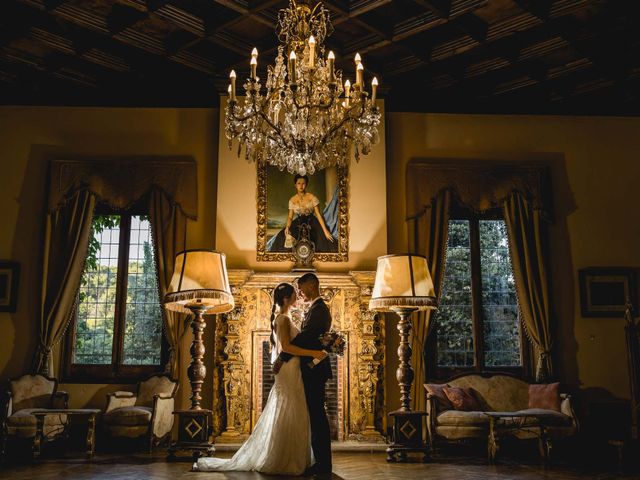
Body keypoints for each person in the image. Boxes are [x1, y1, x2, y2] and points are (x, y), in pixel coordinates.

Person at [193, 282, 327, 475]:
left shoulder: (285, 317)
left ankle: (295, 457)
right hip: (289, 369)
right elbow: (287, 348)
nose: (298, 296)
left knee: (294, 410)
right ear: (287, 298)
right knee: (291, 409)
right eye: (295, 295)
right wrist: (314, 352)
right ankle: (285, 459)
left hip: (293, 368)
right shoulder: (282, 319)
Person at [273, 273, 333, 476]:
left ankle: (323, 465)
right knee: (315, 416)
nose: (300, 292)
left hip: (314, 370)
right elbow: (307, 339)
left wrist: (282, 356)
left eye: (302, 287)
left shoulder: (319, 309)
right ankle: (319, 462)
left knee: (317, 416)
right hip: (308, 369)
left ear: (312, 285)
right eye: (296, 290)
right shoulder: (314, 309)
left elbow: (306, 338)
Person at [268, 174, 337, 253]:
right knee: (282, 237)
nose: (301, 186)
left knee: (321, 240)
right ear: (295, 185)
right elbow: (290, 217)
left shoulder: (312, 197)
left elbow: (318, 214)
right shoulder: (292, 200)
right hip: (298, 222)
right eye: (299, 183)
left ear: (306, 184)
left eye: (303, 183)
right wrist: (287, 227)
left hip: (312, 222)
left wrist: (325, 231)